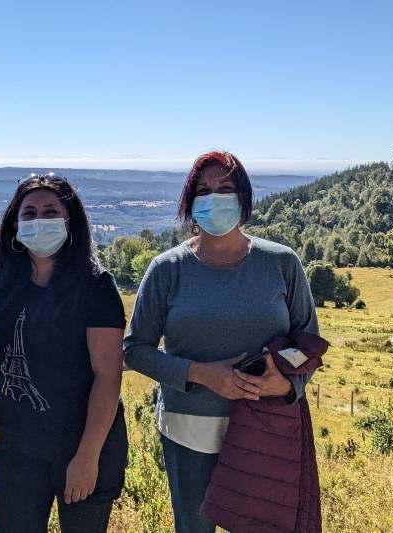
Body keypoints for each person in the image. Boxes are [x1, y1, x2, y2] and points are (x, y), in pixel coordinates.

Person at [122, 151, 319, 533]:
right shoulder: (167, 269)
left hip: (268, 426)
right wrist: (200, 374)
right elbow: (135, 350)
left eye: (225, 188)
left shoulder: (282, 263)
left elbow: (308, 342)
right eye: (203, 190)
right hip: (188, 430)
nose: (214, 198)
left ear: (244, 198)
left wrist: (289, 384)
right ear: (190, 203)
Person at [0, 174, 128, 533]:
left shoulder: (96, 286)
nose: (40, 220)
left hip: (83, 440)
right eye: (30, 213)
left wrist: (87, 456)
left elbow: (108, 375)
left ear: (70, 220)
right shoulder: (4, 271)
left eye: (51, 211)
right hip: (17, 445)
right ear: (15, 222)